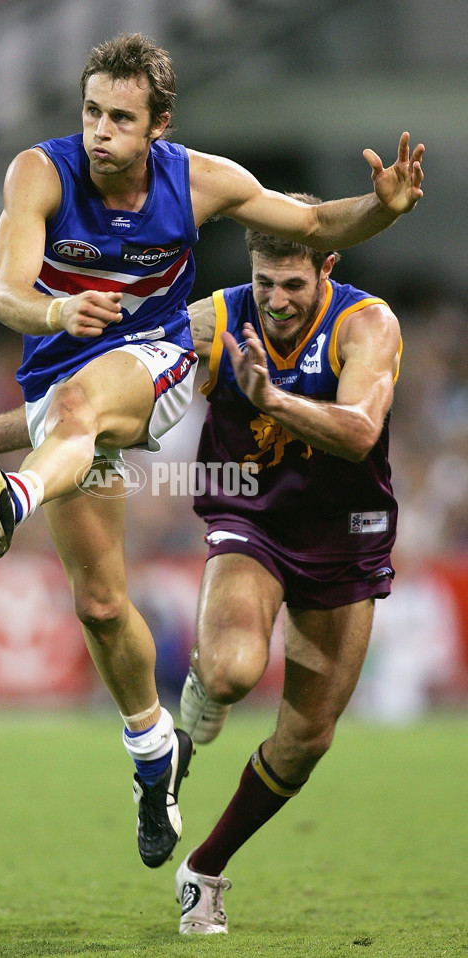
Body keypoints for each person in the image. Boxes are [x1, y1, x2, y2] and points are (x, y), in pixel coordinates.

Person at [0, 28, 424, 875]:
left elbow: (319, 220)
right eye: (92, 112)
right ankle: (153, 752)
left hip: (159, 359)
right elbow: (4, 291)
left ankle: (11, 501)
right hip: (63, 379)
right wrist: (49, 328)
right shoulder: (39, 171)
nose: (101, 130)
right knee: (100, 605)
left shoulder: (199, 181)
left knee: (79, 407)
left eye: (121, 118)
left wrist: (383, 211)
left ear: (158, 125)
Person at [171, 199, 405, 933]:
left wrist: (270, 396)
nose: (275, 300)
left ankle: (202, 869)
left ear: (326, 267)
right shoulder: (214, 320)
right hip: (253, 517)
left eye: (292, 285)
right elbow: (119, 373)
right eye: (264, 281)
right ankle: (202, 688)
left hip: (345, 535)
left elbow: (361, 432)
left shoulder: (368, 324)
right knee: (235, 670)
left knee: (306, 742)